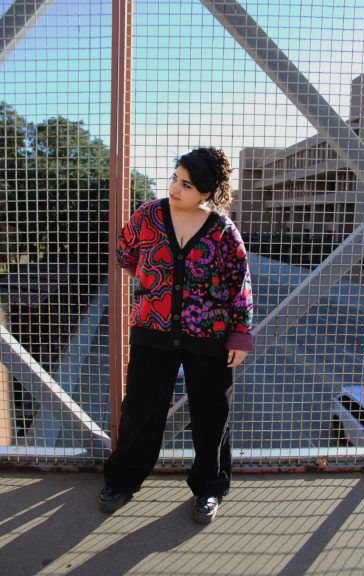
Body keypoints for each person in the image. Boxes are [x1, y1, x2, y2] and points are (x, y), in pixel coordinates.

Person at [99, 146, 253, 523]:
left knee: (211, 415)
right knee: (140, 409)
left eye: (186, 184)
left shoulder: (222, 230)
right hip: (152, 329)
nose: (175, 188)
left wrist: (239, 335)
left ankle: (208, 488)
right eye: (174, 178)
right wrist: (156, 288)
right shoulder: (147, 216)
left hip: (209, 337)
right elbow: (126, 254)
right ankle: (122, 480)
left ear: (206, 192)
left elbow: (239, 284)